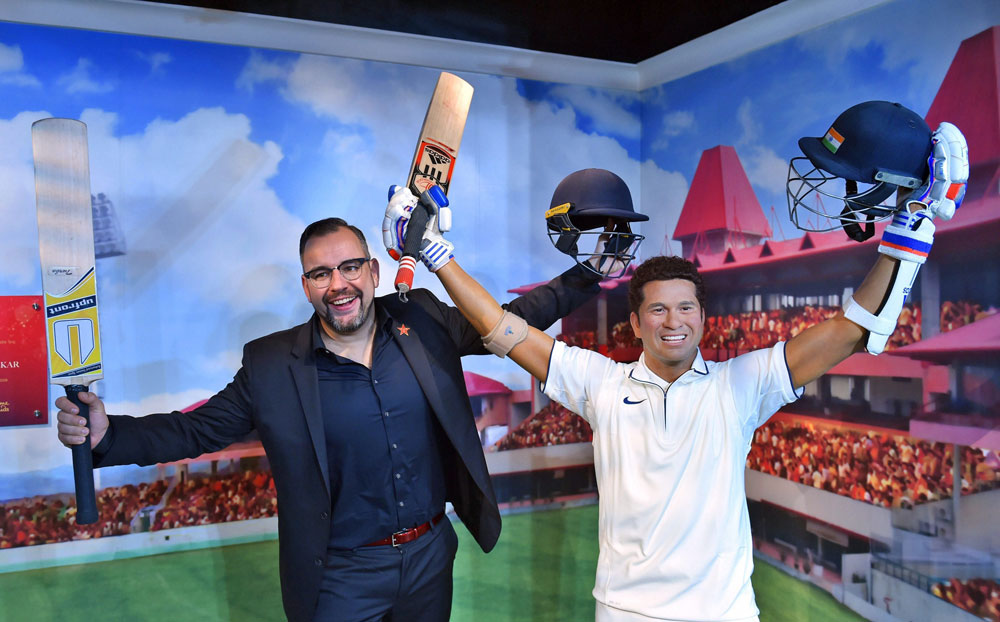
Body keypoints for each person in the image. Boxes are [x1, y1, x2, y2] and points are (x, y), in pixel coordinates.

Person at [385, 103, 968, 621]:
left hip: (724, 613)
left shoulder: (742, 385)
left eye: (686, 308)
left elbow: (849, 331)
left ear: (702, 319)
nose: (673, 321)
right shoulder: (599, 383)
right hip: (625, 611)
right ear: (635, 324)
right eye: (658, 310)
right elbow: (502, 330)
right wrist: (438, 257)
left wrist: (914, 228)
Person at [55, 211, 608, 622]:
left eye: (349, 267)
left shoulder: (422, 317)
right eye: (320, 274)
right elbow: (195, 430)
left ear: (373, 271)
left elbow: (509, 321)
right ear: (306, 286)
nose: (338, 284)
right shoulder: (271, 364)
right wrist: (108, 435)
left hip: (429, 554)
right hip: (339, 576)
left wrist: (587, 276)